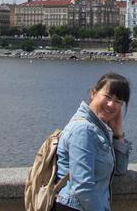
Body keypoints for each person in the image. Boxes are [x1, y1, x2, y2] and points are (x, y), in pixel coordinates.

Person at [53, 72, 132, 211]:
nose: (111, 104)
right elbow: (83, 187)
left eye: (118, 101)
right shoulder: (84, 130)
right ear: (93, 93)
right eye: (107, 96)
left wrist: (118, 133)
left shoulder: (99, 129)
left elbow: (119, 169)